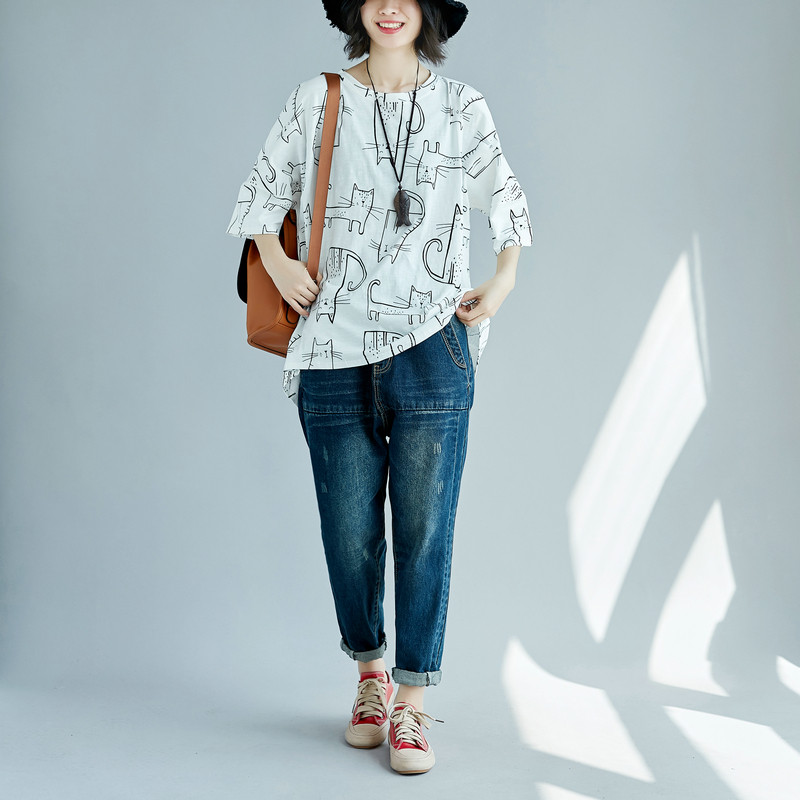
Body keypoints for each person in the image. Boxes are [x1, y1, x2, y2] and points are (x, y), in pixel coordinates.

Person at [226, 0, 533, 775]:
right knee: (348, 531)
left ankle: (413, 700)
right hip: (331, 347)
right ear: (353, 6)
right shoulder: (317, 98)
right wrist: (279, 263)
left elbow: (505, 198)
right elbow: (262, 194)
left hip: (433, 345)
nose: (390, 7)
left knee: (426, 530)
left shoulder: (461, 106)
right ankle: (369, 678)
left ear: (429, 9)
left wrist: (502, 280)